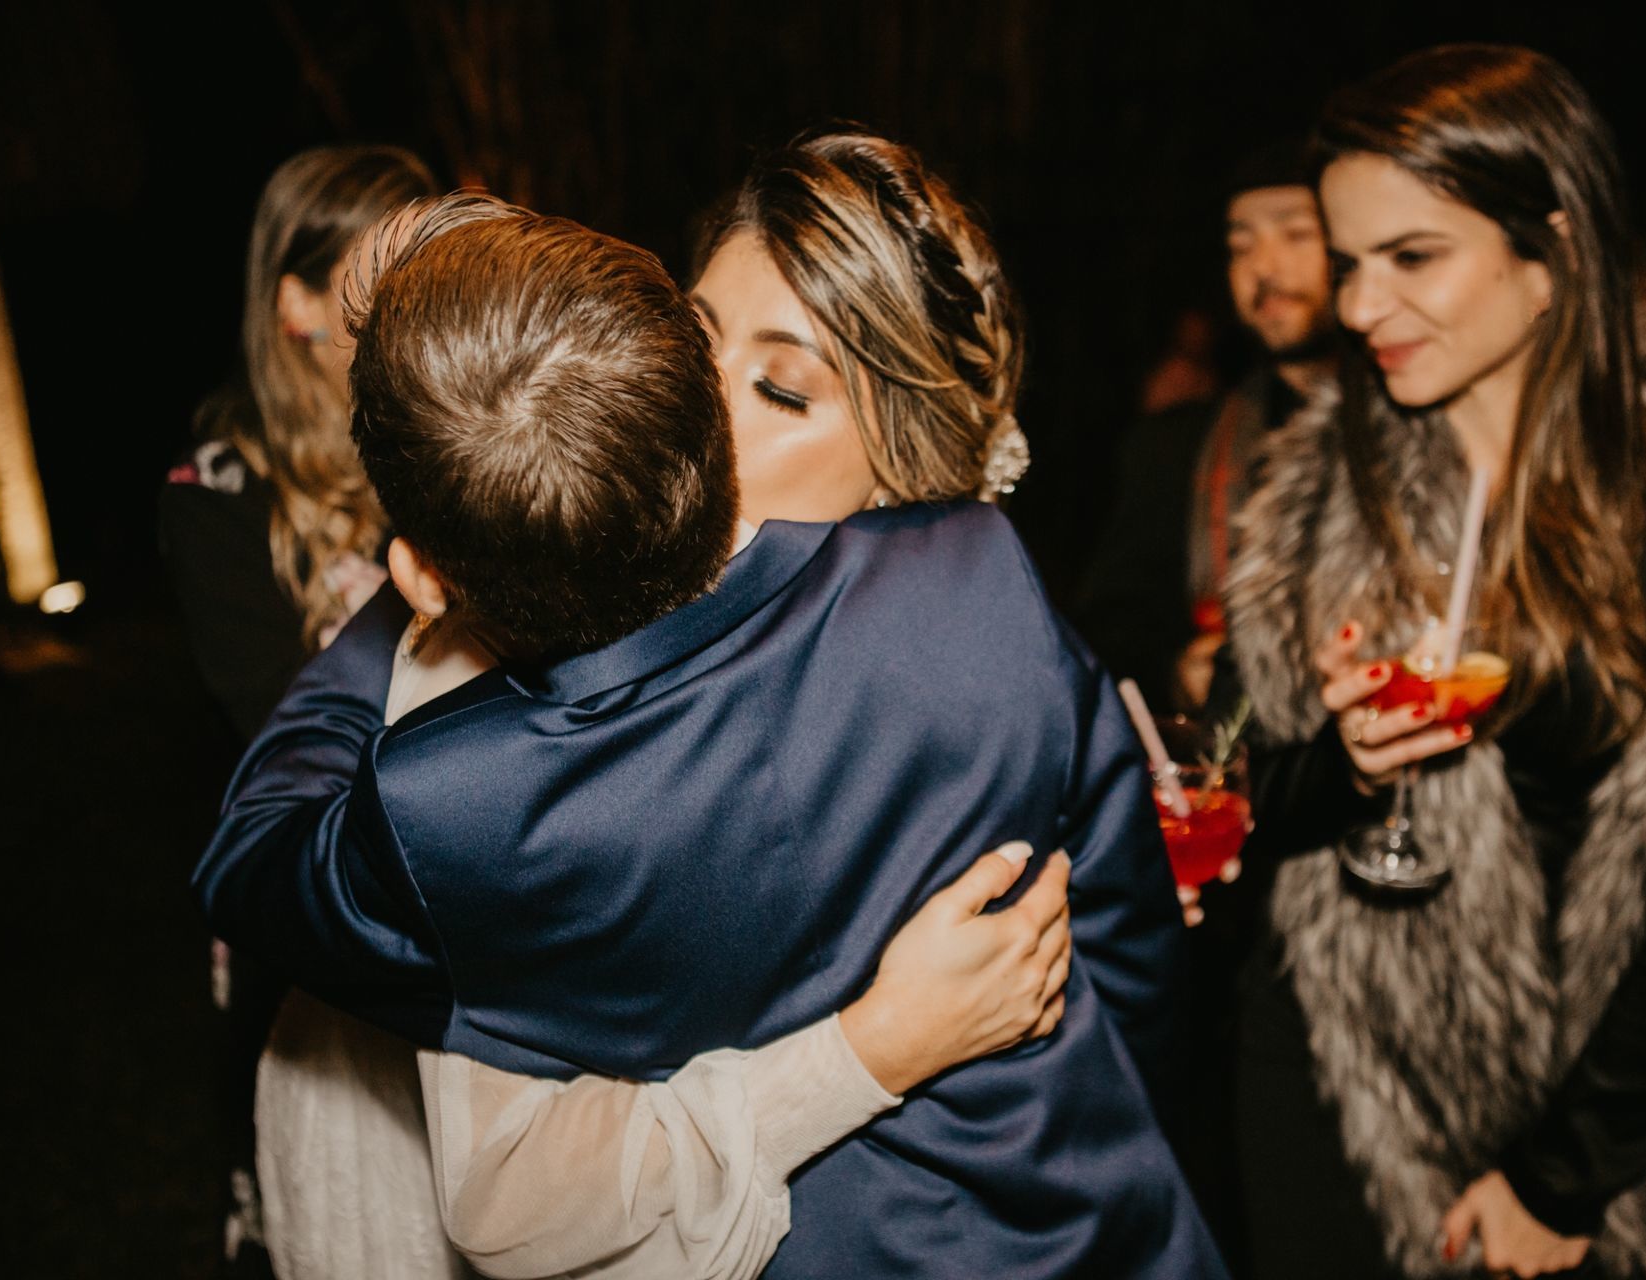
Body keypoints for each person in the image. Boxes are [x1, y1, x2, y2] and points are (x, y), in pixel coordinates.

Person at [195, 175, 1225, 1278]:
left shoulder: (493, 783)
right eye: (693, 342)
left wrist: (442, 576)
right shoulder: (984, 587)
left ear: (909, 467)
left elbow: (1132, 962)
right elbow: (1135, 981)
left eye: (781, 389)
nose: (706, 408)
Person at [1216, 45, 1646, 1278]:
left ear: (1550, 255)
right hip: (1339, 1080)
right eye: (1350, 264)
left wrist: (1564, 1175)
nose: (1362, 307)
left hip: (1601, 1109)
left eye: (1412, 256)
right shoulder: (1322, 487)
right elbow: (1249, 793)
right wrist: (1349, 763)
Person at [158, 144, 436, 1277]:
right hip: (319, 927)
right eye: (380, 284)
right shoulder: (218, 495)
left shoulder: (439, 445)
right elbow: (274, 723)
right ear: (298, 303)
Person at [1076, 140, 1336, 716]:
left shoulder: (1419, 436)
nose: (1263, 267)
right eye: (1241, 245)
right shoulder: (1177, 448)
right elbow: (1110, 632)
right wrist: (1177, 670)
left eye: (1296, 234)